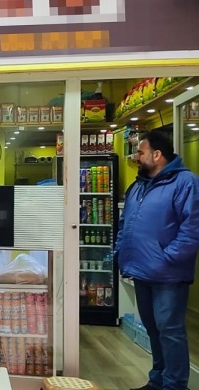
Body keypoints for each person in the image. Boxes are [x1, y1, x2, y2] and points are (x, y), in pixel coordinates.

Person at [115, 130, 199, 390]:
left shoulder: (185, 182)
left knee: (170, 331)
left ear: (157, 154)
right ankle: (158, 380)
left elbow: (192, 227)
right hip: (141, 270)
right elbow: (124, 223)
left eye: (140, 152)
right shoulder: (138, 185)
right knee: (153, 329)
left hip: (168, 274)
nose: (136, 157)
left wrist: (168, 258)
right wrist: (120, 251)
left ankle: (175, 385)